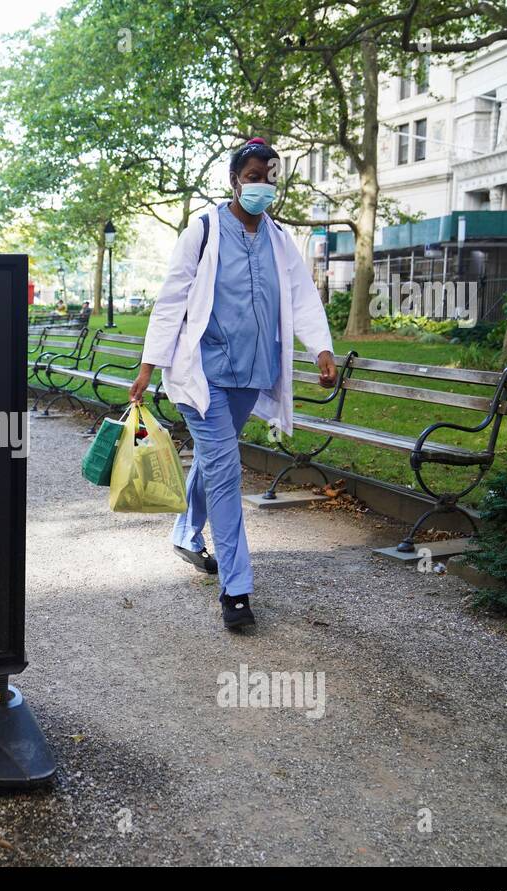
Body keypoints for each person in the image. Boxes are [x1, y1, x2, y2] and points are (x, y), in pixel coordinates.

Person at [128, 137, 338, 631]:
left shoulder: (282, 238)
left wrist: (321, 348)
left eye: (269, 177)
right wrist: (148, 365)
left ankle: (185, 529)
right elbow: (172, 298)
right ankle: (236, 590)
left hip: (253, 372)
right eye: (252, 177)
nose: (262, 185)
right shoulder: (202, 230)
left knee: (213, 457)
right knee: (225, 470)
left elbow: (303, 297)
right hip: (204, 375)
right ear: (233, 180)